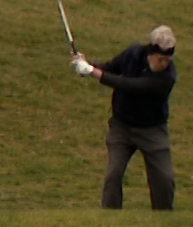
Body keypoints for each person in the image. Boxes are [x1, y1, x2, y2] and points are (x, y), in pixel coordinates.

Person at [72, 25, 177, 210]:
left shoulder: (167, 77)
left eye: (167, 59)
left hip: (152, 131)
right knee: (113, 175)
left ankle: (163, 217)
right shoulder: (132, 54)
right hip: (122, 128)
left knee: (164, 179)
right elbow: (111, 68)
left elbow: (128, 85)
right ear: (149, 53)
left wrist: (92, 72)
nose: (165, 63)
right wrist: (86, 66)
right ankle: (111, 218)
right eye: (161, 59)